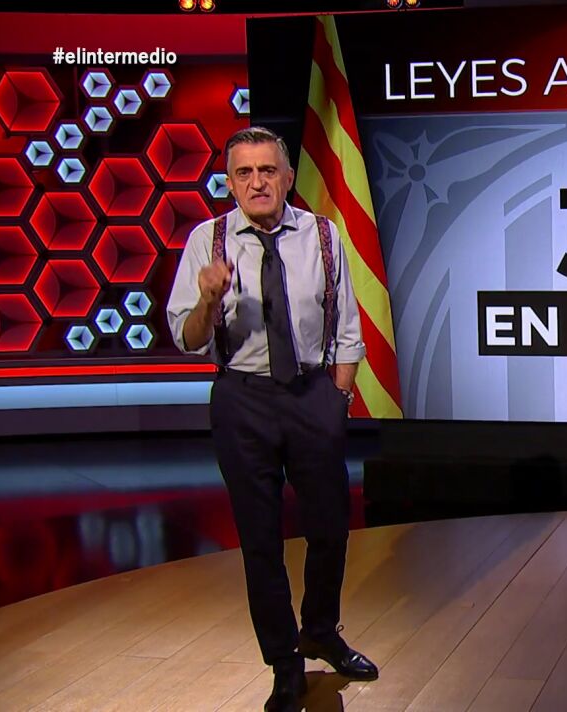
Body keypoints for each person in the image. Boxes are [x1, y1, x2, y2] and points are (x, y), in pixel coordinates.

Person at [167, 126, 378, 712]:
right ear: (230, 182)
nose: (257, 182)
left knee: (330, 528)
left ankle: (322, 631)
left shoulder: (323, 236)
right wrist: (209, 299)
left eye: (267, 171)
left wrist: (337, 400)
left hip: (312, 395)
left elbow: (347, 328)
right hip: (243, 399)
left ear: (286, 178)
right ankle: (284, 663)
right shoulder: (207, 242)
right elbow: (187, 338)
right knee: (260, 541)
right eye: (244, 172)